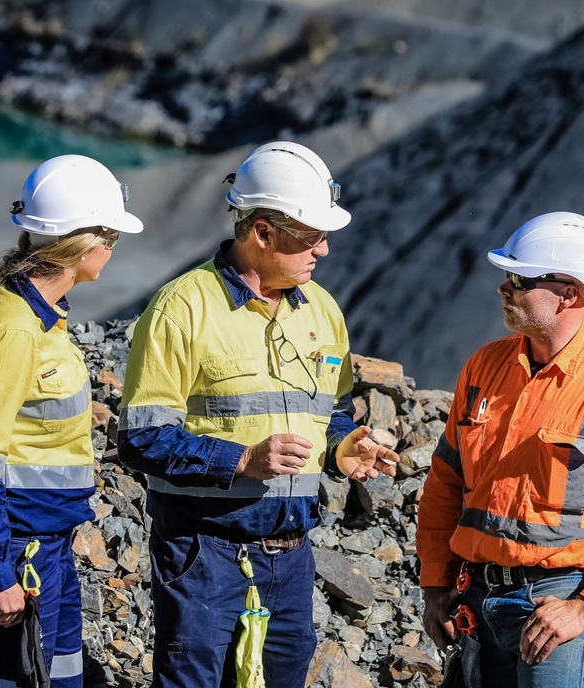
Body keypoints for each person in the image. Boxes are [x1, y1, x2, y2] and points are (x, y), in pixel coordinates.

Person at [117, 141, 399, 688]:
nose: (323, 250)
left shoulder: (322, 308)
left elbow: (331, 410)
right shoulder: (183, 307)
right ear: (263, 232)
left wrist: (344, 449)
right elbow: (141, 438)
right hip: (203, 555)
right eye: (310, 236)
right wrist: (243, 459)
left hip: (291, 559)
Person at [416, 212, 584, 688]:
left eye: (520, 279)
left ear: (572, 293)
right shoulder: (484, 367)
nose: (504, 288)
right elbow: (445, 484)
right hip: (477, 596)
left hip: (558, 604)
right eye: (506, 276)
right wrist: (437, 584)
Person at [0, 155, 144, 688]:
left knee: (60, 677)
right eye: (111, 237)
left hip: (44, 546)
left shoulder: (39, 319)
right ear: (83, 243)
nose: (113, 250)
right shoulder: (14, 330)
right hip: (15, 550)